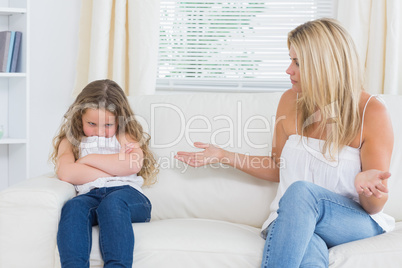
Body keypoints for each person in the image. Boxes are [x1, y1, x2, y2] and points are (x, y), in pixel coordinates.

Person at [175, 18, 394, 267]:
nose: (288, 70)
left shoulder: (371, 112)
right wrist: (223, 155)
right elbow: (278, 167)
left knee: (301, 192)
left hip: (351, 220)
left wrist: (367, 188)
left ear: (324, 66)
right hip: (293, 221)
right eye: (291, 60)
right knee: (309, 251)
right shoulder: (290, 101)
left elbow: (374, 206)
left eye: (297, 63)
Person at [50, 79, 158, 268]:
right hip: (90, 196)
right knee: (73, 207)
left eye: (108, 125)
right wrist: (114, 166)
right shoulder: (70, 140)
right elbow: (66, 172)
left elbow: (132, 164)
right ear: (79, 118)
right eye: (91, 123)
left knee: (112, 203)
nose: (100, 132)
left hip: (128, 196)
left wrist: (86, 159)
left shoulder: (124, 135)